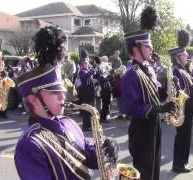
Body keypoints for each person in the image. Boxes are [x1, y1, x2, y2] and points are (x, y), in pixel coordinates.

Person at [14, 26, 119, 179]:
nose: (62, 97)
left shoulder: (68, 123)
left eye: (62, 91)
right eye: (55, 93)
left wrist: (106, 150)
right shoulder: (30, 144)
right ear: (33, 99)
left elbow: (88, 156)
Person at [121, 6, 176, 180]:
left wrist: (168, 87)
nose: (152, 49)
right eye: (149, 46)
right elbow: (130, 108)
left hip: (154, 125)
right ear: (137, 47)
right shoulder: (131, 74)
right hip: (141, 130)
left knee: (154, 169)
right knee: (144, 172)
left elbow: (156, 92)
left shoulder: (148, 69)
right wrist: (159, 109)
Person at [168, 30, 193, 173]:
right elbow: (179, 90)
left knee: (186, 136)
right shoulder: (176, 71)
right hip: (182, 108)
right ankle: (178, 164)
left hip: (188, 107)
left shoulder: (184, 70)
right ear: (178, 57)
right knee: (182, 136)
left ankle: (183, 162)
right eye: (184, 55)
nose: (187, 56)